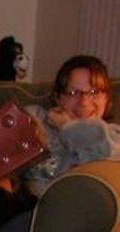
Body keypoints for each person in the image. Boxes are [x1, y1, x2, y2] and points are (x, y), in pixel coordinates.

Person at [23, 54, 120, 195]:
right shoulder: (37, 118)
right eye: (73, 92)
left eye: (94, 92)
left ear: (106, 99)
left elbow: (101, 169)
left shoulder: (114, 139)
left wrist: (67, 127)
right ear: (58, 98)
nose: (84, 101)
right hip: (27, 207)